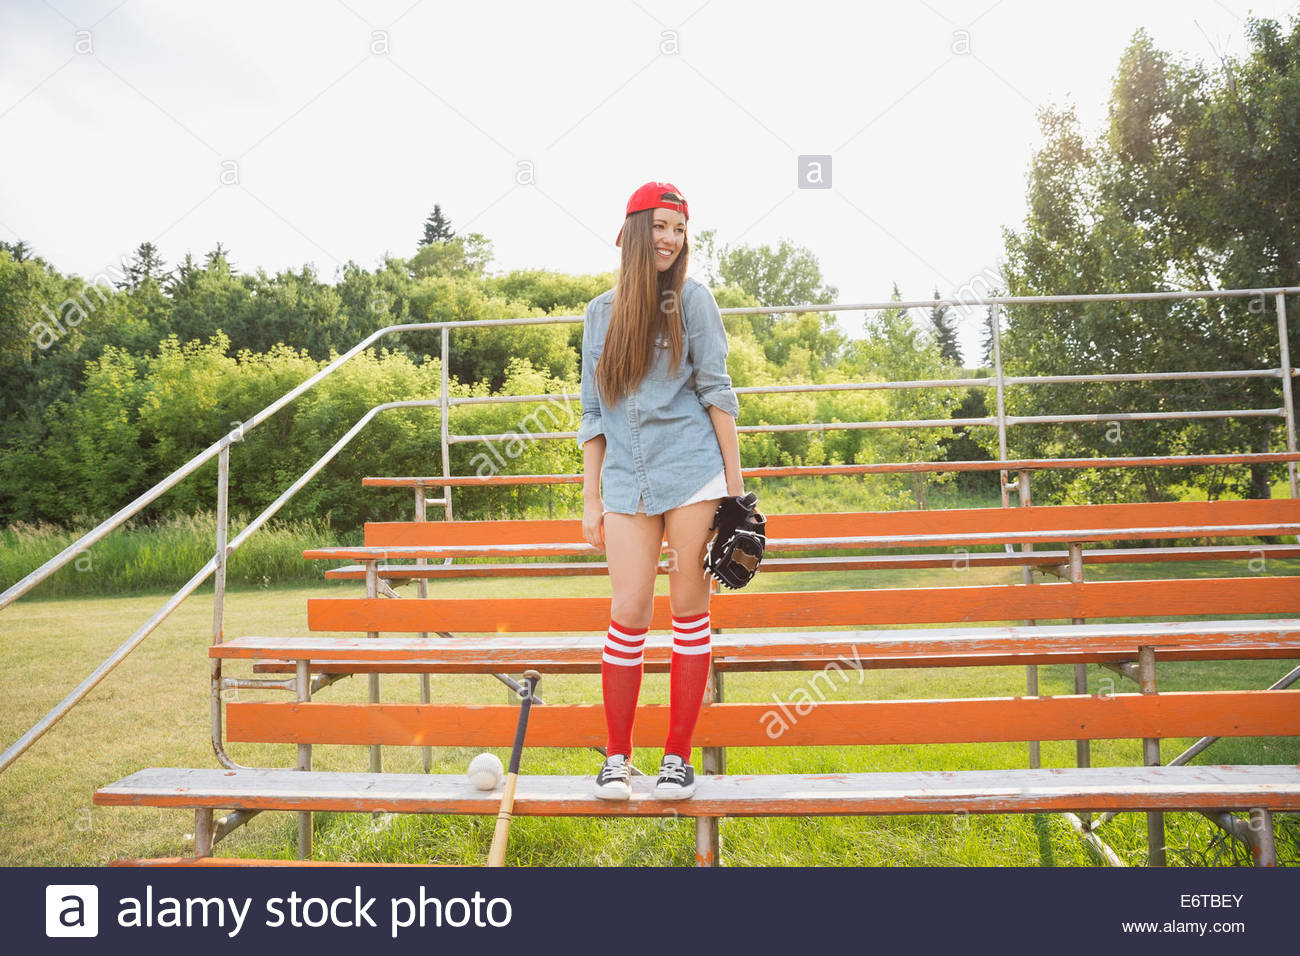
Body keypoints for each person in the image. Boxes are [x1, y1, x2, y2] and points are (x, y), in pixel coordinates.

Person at [575, 181, 744, 801]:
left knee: (689, 608)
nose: (671, 238)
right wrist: (591, 496)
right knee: (629, 612)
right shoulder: (600, 314)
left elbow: (717, 394)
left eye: (680, 228)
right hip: (626, 481)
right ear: (635, 233)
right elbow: (593, 413)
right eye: (662, 226)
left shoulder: (695, 302)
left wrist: (735, 491)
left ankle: (676, 758)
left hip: (692, 472)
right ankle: (617, 759)